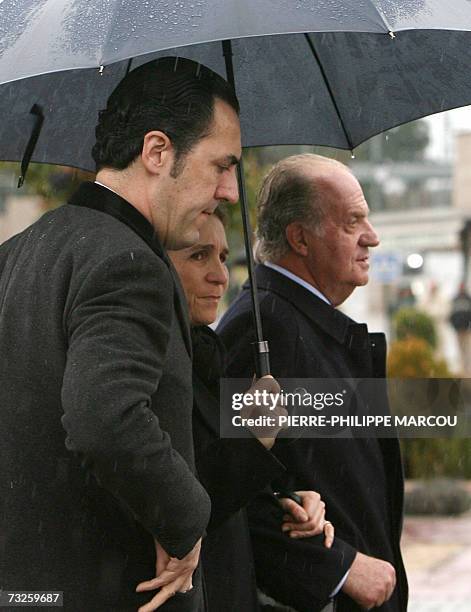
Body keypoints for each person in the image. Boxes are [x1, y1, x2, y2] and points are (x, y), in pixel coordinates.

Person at [0, 57, 241, 612]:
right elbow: (103, 418)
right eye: (220, 165)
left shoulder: (19, 252)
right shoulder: (128, 262)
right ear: (157, 152)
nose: (229, 190)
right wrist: (183, 521)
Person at [218, 154, 408, 611]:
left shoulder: (300, 321)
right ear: (300, 238)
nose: (372, 237)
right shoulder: (261, 330)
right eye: (352, 221)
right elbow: (226, 489)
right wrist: (340, 569)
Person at [169, 208, 335, 611]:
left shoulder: (205, 356)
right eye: (198, 256)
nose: (220, 276)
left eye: (223, 258)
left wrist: (289, 500)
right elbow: (190, 497)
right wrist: (255, 441)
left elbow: (228, 488)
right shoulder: (160, 365)